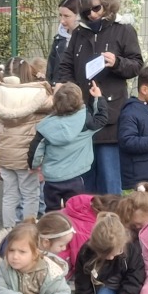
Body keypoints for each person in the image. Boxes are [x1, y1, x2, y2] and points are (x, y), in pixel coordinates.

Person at [52, 0, 142, 195]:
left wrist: (117, 62)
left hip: (110, 114)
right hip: (82, 114)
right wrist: (70, 89)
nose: (92, 14)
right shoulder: (79, 33)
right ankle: (87, 216)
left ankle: (113, 216)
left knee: (110, 182)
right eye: (86, 11)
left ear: (107, 4)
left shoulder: (123, 30)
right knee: (85, 183)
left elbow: (137, 65)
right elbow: (65, 66)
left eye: (96, 8)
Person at [0, 57, 55, 229]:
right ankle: (27, 231)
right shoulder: (38, 94)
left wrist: (1, 70)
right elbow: (54, 99)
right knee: (30, 195)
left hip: (4, 156)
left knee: (9, 195)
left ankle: (8, 231)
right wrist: (39, 77)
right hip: (26, 157)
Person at [39, 81, 108, 212]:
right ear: (79, 102)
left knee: (52, 212)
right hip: (75, 177)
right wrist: (98, 98)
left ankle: (51, 224)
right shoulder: (86, 124)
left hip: (52, 178)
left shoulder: (45, 126)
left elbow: (36, 148)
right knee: (75, 210)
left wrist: (34, 165)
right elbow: (102, 118)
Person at [73, 209, 146, 294]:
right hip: (107, 285)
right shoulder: (86, 252)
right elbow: (82, 279)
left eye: (116, 253)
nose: (111, 258)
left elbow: (136, 274)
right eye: (106, 254)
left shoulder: (131, 247)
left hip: (127, 284)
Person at [46, 0, 80, 90]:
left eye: (66, 16)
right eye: (60, 15)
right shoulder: (59, 39)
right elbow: (51, 68)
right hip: (58, 91)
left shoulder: (86, 40)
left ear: (79, 16)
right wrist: (51, 85)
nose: (62, 21)